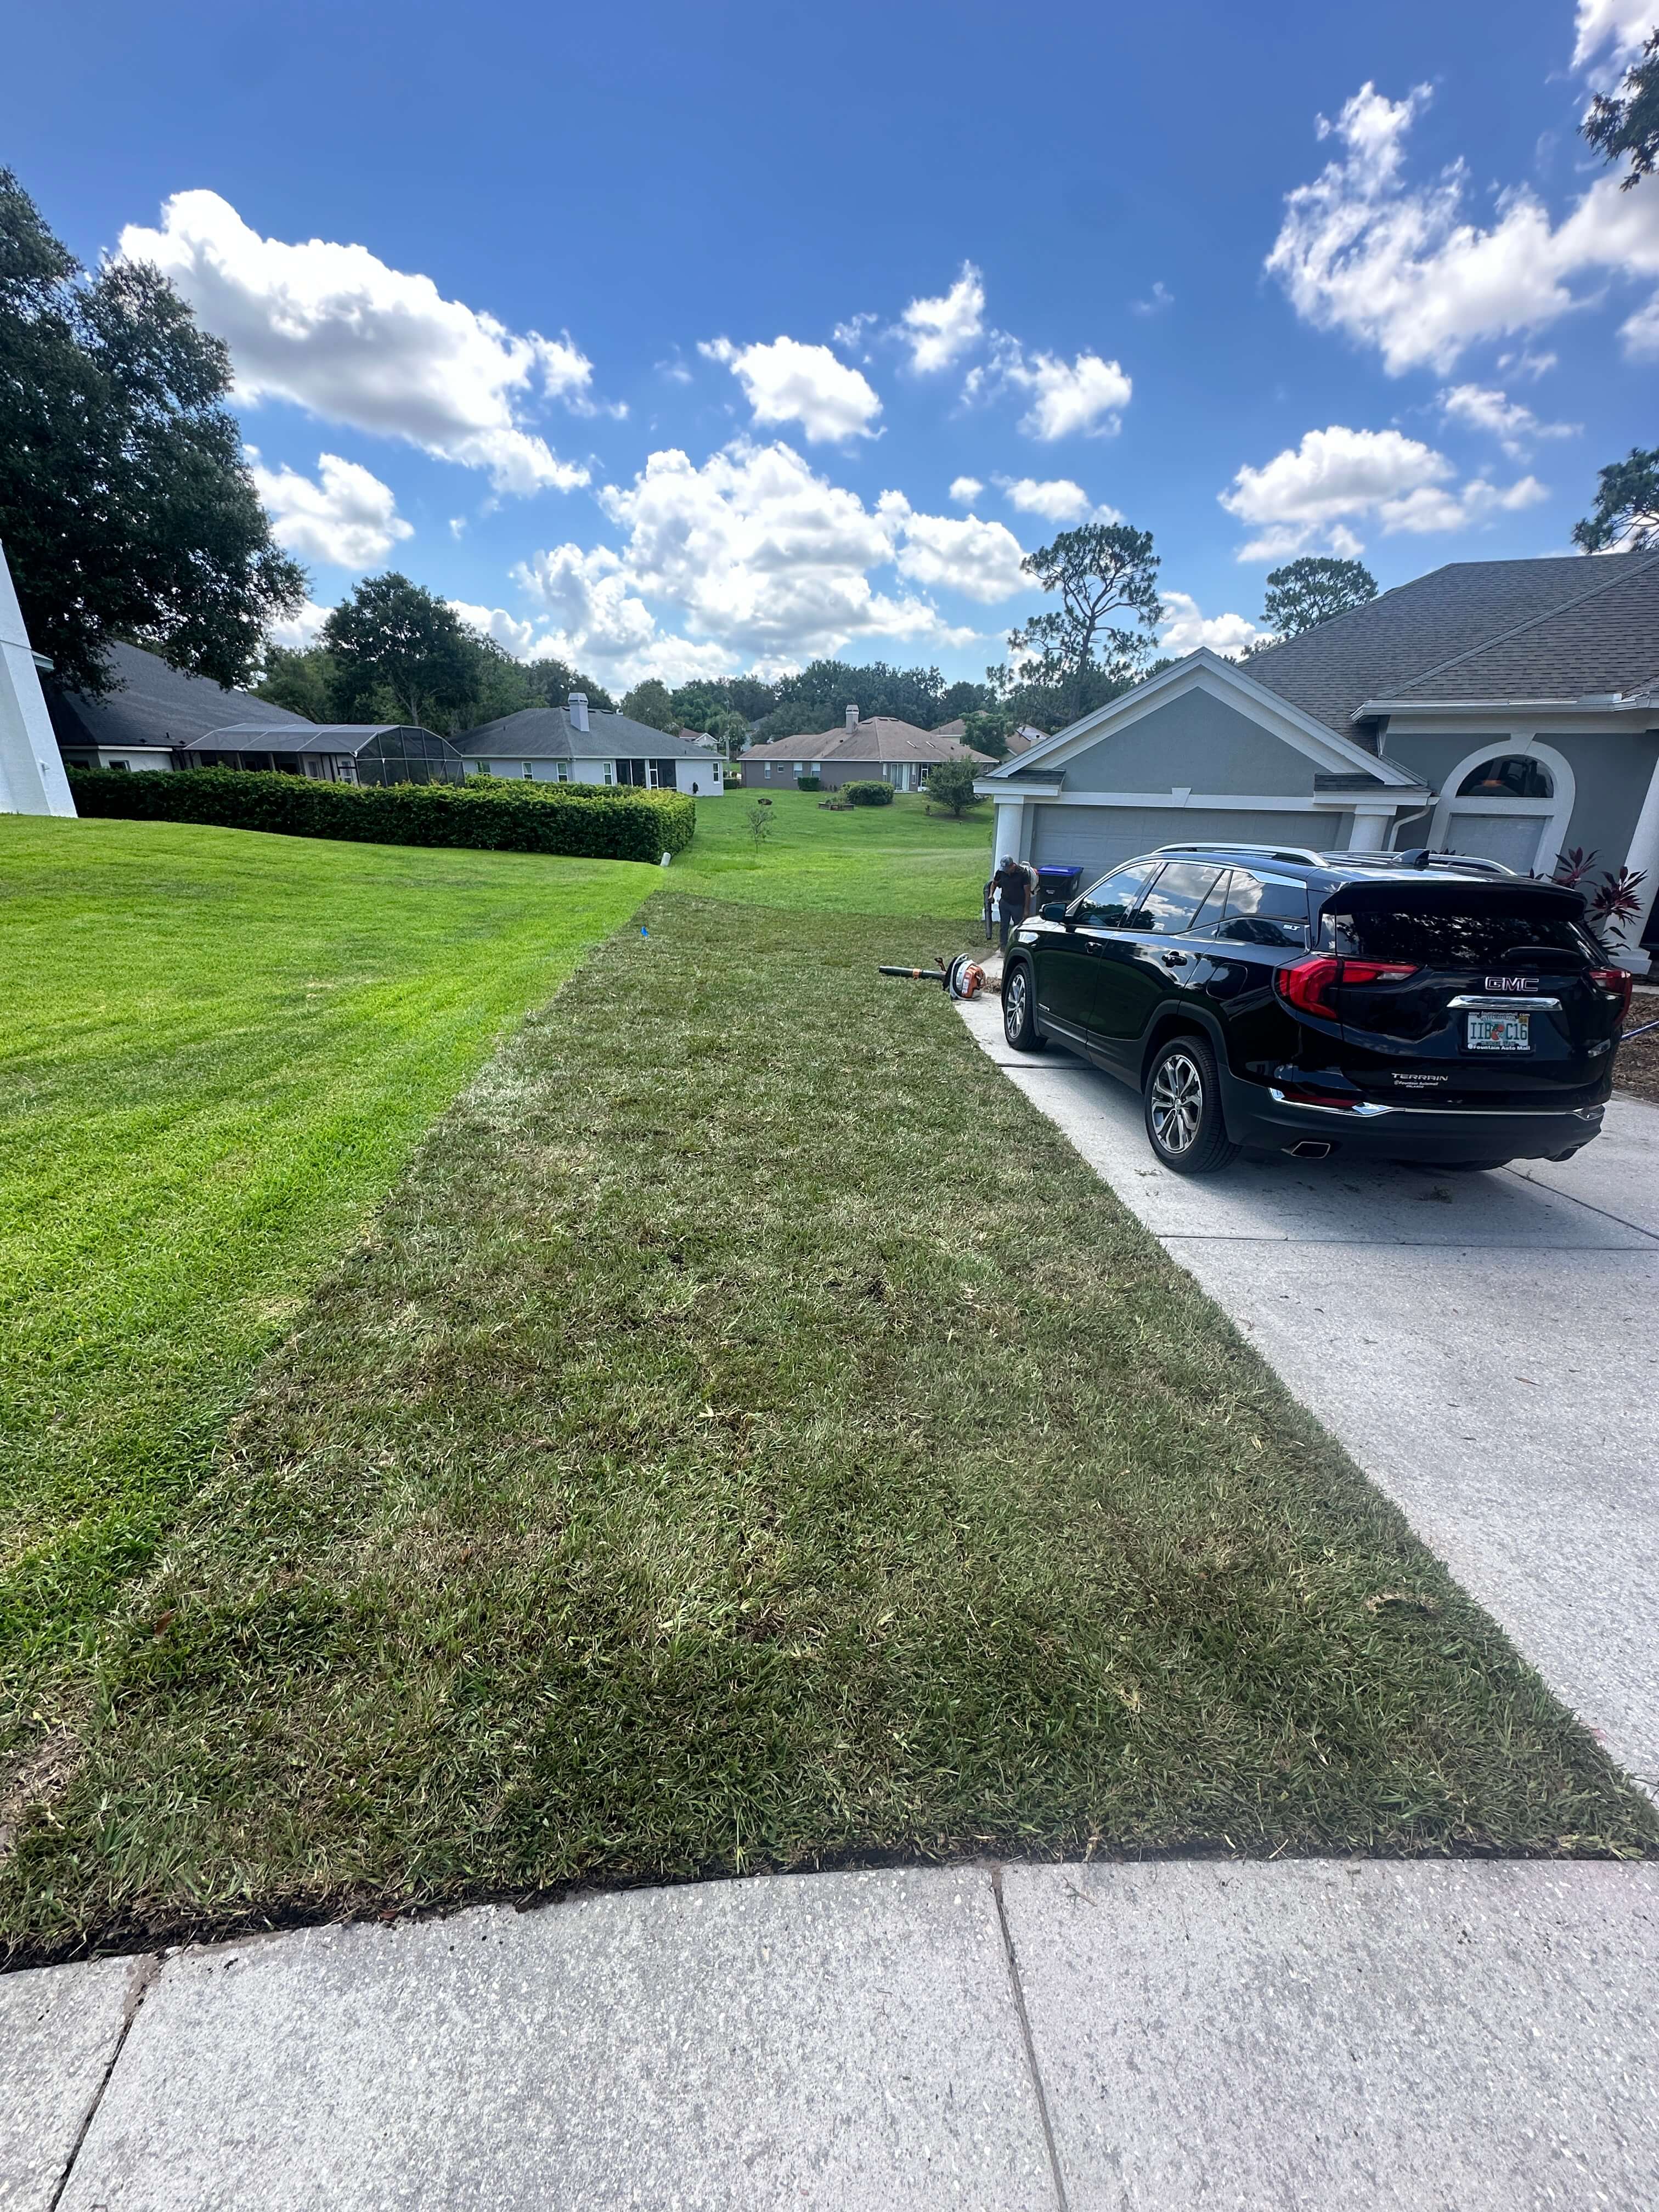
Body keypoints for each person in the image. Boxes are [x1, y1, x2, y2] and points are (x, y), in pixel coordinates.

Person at [991, 854, 1037, 951]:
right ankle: (1003, 948)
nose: (1005, 872)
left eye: (1007, 869)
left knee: (1017, 927)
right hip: (1004, 903)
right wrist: (991, 895)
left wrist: (1026, 910)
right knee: (1004, 926)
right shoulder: (1001, 872)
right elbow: (994, 883)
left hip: (1018, 905)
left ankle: (1016, 946)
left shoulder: (1023, 874)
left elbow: (1027, 894)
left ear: (1012, 866)